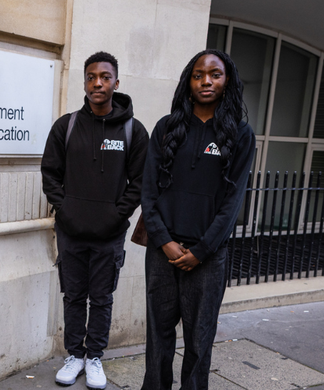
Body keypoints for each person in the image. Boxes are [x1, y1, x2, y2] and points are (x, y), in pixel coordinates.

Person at [140, 49, 255, 390]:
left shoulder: (240, 135)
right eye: (198, 74)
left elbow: (232, 203)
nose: (206, 81)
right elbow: (148, 193)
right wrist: (165, 242)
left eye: (215, 74)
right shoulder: (166, 127)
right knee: (158, 338)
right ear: (188, 82)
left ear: (227, 80)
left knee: (199, 340)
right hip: (162, 254)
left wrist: (201, 250)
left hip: (208, 258)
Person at [41, 51, 148, 389]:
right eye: (91, 77)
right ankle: (75, 355)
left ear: (116, 82)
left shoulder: (133, 130)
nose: (97, 83)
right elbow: (50, 175)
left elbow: (141, 183)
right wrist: (66, 211)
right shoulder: (67, 126)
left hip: (109, 235)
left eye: (104, 77)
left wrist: (116, 216)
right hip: (71, 232)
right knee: (73, 296)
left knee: (101, 298)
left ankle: (95, 357)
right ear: (85, 82)